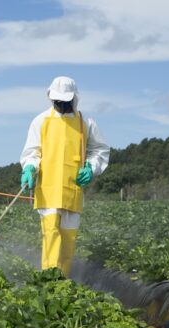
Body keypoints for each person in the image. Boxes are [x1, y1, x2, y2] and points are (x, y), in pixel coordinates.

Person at [19, 76, 109, 276]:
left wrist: (91, 168)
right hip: (48, 189)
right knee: (51, 235)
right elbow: (32, 152)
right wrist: (29, 168)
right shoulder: (41, 121)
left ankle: (63, 282)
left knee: (68, 240)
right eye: (58, 101)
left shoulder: (85, 122)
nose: (61, 104)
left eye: (65, 101)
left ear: (74, 99)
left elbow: (100, 150)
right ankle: (49, 281)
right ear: (51, 98)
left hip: (73, 189)